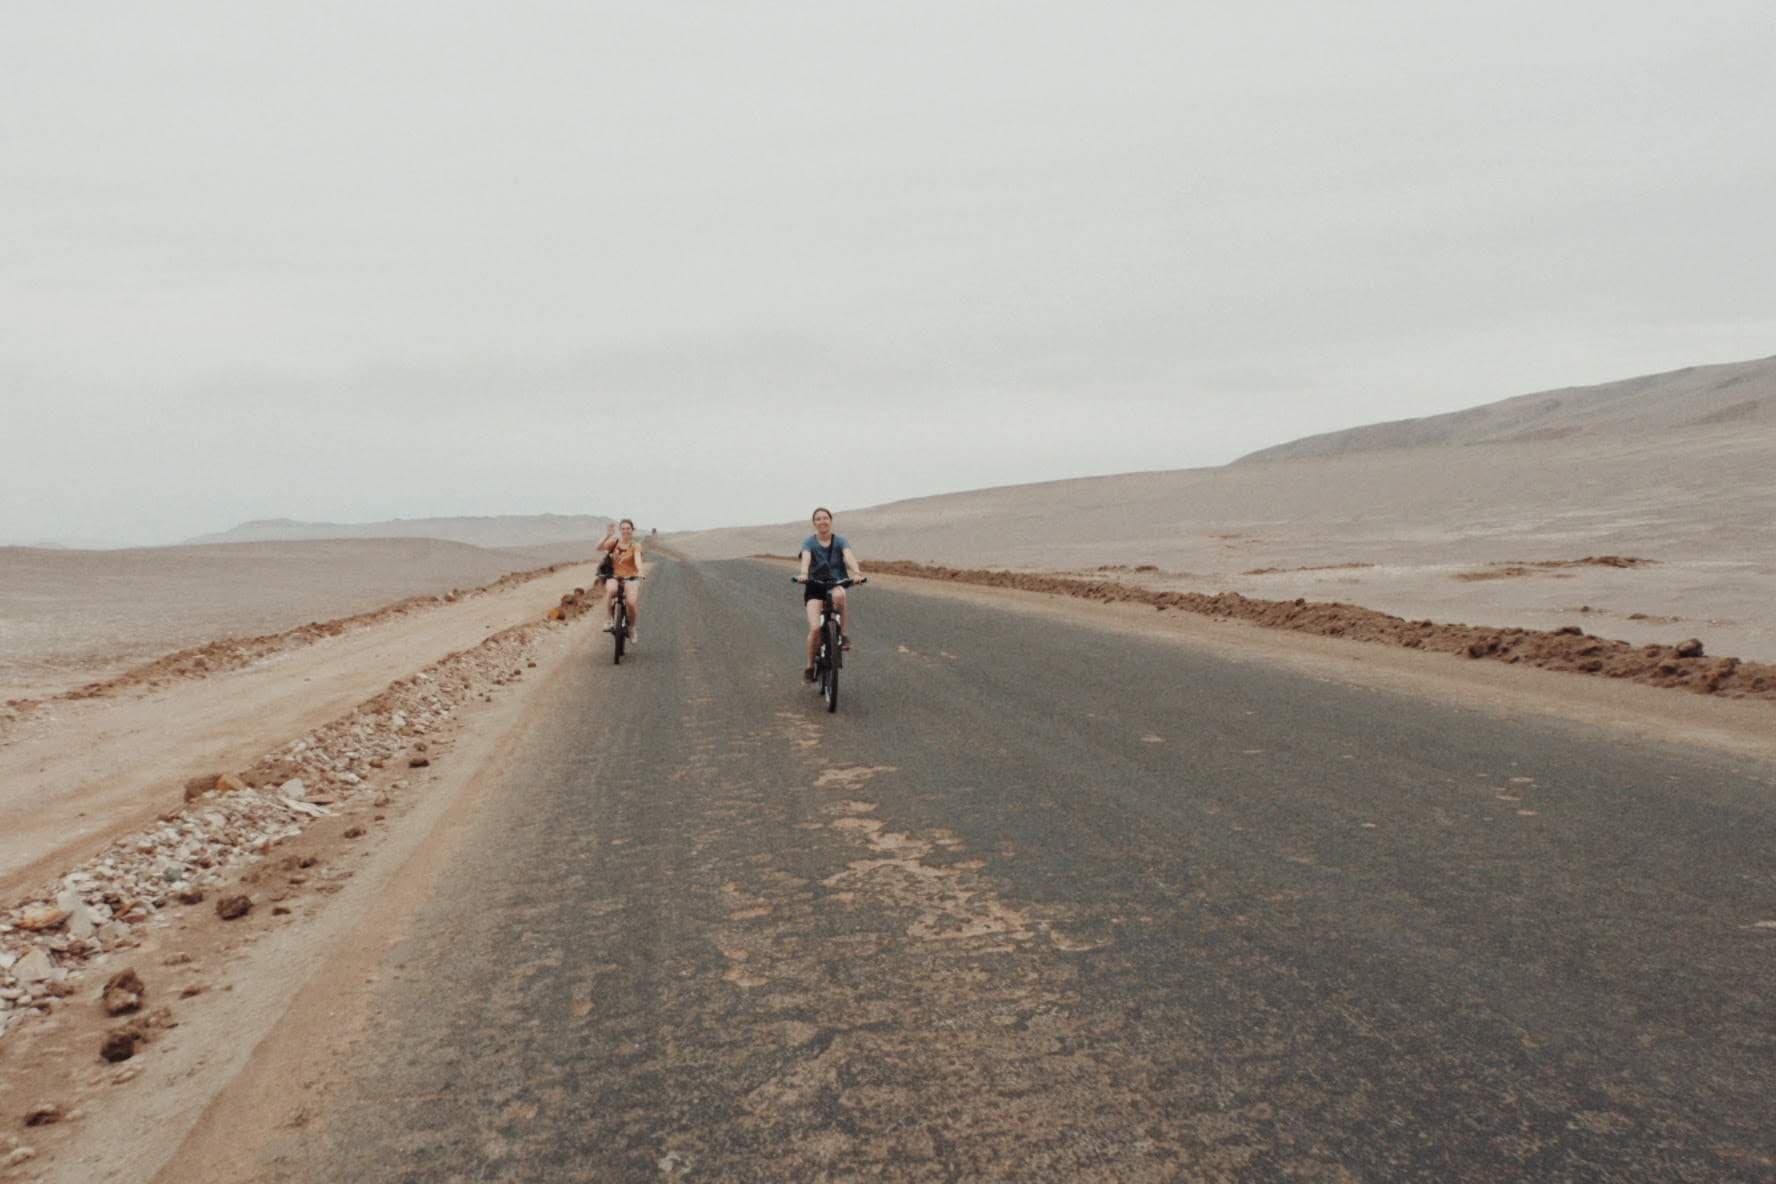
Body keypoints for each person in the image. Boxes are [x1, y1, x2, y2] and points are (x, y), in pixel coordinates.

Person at [797, 507, 863, 681]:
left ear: (831, 520)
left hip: (835, 583)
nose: (822, 521)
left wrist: (857, 572)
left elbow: (848, 556)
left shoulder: (840, 541)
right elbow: (806, 558)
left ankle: (842, 635)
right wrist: (803, 573)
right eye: (818, 519)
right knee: (815, 629)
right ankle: (810, 666)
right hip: (815, 586)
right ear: (814, 523)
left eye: (825, 518)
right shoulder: (809, 542)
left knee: (840, 596)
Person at [598, 519, 644, 642]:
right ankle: (609, 620)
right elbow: (599, 548)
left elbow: (638, 560)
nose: (625, 531)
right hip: (615, 576)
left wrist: (640, 571)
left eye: (628, 528)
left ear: (632, 530)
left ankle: (632, 628)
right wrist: (608, 535)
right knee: (611, 590)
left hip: (631, 577)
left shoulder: (636, 546)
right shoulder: (614, 542)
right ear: (620, 530)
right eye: (623, 528)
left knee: (631, 603)